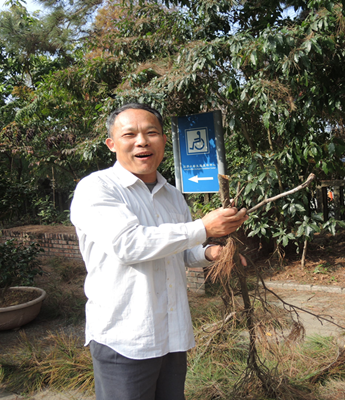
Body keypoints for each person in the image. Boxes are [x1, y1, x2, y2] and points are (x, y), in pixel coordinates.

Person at [70, 103, 248, 400]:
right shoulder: (97, 188)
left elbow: (179, 252)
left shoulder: (172, 195)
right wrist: (203, 227)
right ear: (112, 144)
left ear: (164, 140)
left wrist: (210, 253)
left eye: (151, 133)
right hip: (125, 339)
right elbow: (129, 244)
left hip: (171, 334)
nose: (142, 141)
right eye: (130, 134)